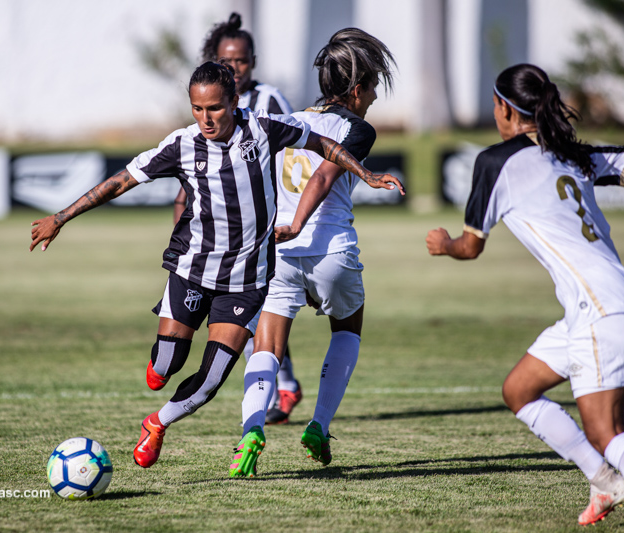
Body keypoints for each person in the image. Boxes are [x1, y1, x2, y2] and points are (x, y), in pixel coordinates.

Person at [29, 61, 404, 471]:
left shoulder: (262, 129)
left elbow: (323, 145)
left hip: (246, 283)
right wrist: (61, 217)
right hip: (193, 270)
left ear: (234, 102)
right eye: (197, 109)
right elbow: (121, 181)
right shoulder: (182, 144)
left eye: (215, 109)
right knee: (166, 366)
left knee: (209, 382)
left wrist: (365, 175)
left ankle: (156, 423)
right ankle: (161, 366)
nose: (206, 119)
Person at [425, 63, 624, 527]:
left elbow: (470, 247)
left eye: (493, 106)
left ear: (504, 109)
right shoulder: (571, 154)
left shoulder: (497, 162)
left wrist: (443, 244)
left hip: (598, 307)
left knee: (606, 432)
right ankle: (606, 481)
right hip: (596, 303)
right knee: (520, 390)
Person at [228, 28, 398, 478]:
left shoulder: (290, 122)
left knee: (267, 343)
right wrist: (302, 222)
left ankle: (250, 429)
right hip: (331, 252)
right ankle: (319, 425)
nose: (376, 97)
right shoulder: (357, 129)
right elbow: (324, 176)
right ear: (357, 89)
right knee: (348, 328)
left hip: (280, 250)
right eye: (375, 88)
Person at [172, 12, 302, 425]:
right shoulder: (207, 111)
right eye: (227, 60)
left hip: (271, 224)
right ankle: (284, 385)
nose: (235, 67)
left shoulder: (270, 102)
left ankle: (282, 385)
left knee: (266, 306)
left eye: (242, 61)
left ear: (253, 62)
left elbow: (299, 147)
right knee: (253, 309)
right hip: (223, 236)